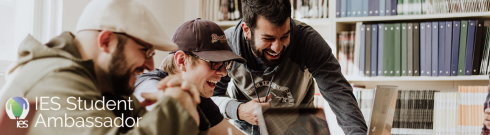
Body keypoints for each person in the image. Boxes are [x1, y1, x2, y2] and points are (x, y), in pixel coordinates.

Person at [0, 0, 208, 134]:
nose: (151, 65)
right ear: (106, 41)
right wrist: (175, 107)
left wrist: (186, 105)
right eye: (145, 51)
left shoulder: (109, 85)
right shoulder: (54, 79)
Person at [211, 0, 368, 134]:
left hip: (300, 128)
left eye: (285, 36)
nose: (277, 48)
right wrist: (239, 110)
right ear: (247, 30)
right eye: (268, 38)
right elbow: (210, 98)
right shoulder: (227, 45)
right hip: (246, 130)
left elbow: (339, 94)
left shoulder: (307, 41)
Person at [133, 18, 246, 135]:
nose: (224, 72)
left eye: (225, 64)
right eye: (215, 63)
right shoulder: (147, 83)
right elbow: (155, 96)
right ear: (181, 60)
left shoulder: (200, 98)